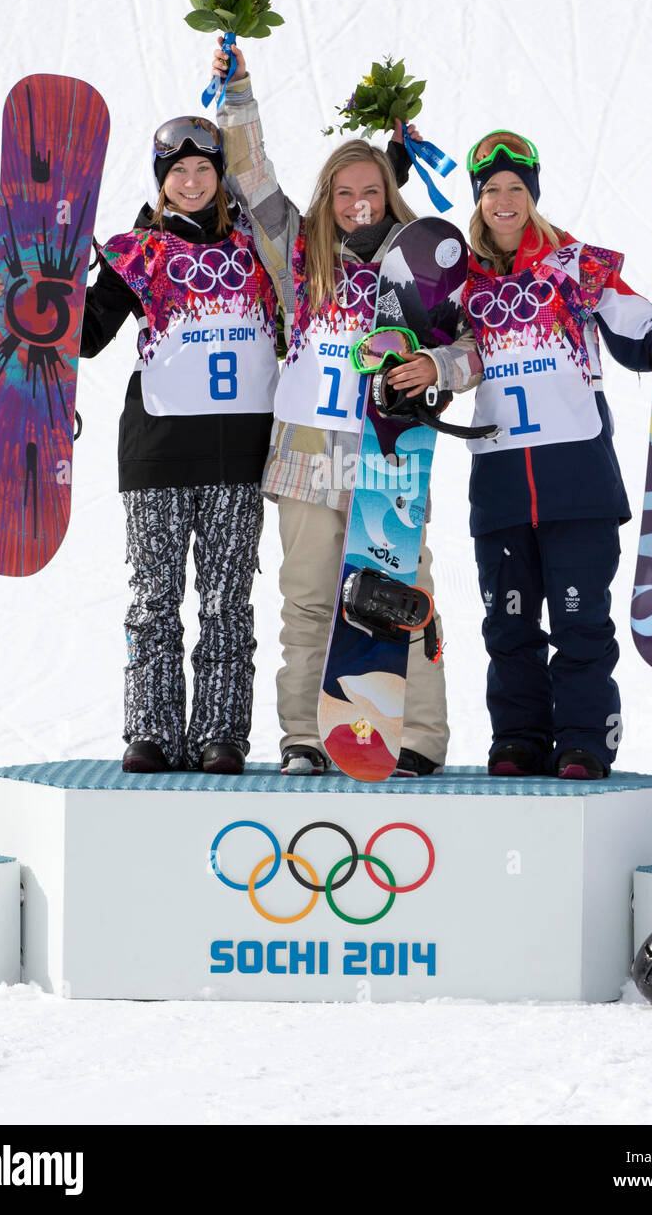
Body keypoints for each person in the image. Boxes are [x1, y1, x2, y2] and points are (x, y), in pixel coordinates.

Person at [388, 128, 652, 780]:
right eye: (493, 190)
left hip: (577, 482)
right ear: (478, 200)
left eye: (516, 189)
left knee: (581, 623)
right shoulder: (465, 282)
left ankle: (583, 739)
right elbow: (463, 355)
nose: (505, 201)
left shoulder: (579, 268)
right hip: (500, 485)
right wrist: (431, 368)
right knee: (510, 628)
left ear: (533, 195)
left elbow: (644, 336)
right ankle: (518, 738)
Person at [0, 116, 279, 775]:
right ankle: (152, 731)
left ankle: (221, 733)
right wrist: (24, 297)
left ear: (220, 175)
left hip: (240, 451)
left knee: (228, 600)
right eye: (178, 172)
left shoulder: (261, 244)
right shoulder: (136, 252)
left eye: (204, 169)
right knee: (154, 599)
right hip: (158, 450)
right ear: (162, 182)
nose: (192, 181)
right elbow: (82, 334)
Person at [209, 43, 449, 776]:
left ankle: (417, 738)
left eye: (369, 191)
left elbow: (471, 344)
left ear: (387, 192)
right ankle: (305, 737)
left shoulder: (418, 261)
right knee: (311, 598)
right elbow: (250, 176)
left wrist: (437, 363)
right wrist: (239, 94)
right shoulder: (297, 247)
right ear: (329, 196)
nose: (357, 205)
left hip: (390, 451)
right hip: (310, 447)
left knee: (403, 594)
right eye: (343, 193)